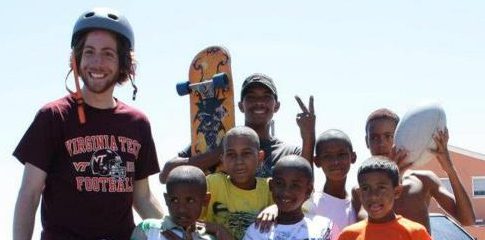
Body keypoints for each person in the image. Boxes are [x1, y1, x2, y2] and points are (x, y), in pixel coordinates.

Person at [13, 7, 163, 240]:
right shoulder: (53, 116)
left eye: (108, 54)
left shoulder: (137, 123)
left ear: (124, 62)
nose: (97, 63)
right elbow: (29, 194)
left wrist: (177, 230)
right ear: (76, 59)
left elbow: (142, 196)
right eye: (89, 52)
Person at [160, 73, 302, 182]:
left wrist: (308, 136)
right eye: (251, 97)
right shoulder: (221, 138)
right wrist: (219, 153)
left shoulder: (289, 152)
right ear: (241, 106)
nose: (258, 102)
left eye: (266, 97)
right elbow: (165, 175)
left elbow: (306, 188)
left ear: (276, 106)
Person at [363, 108, 475, 232]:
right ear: (367, 142)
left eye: (389, 136)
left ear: (401, 136)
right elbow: (366, 229)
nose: (381, 143)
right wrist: (392, 179)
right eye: (374, 137)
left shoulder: (423, 180)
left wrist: (449, 168)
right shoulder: (362, 190)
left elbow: (467, 220)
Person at [200, 126, 273, 239]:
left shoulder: (270, 188)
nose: (239, 161)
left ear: (260, 157)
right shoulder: (212, 184)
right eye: (231, 154)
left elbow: (299, 214)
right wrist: (217, 229)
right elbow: (190, 221)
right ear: (222, 159)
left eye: (246, 153)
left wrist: (276, 208)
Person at [243, 155, 338, 240]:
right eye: (280, 183)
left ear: (308, 191)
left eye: (295, 185)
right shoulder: (257, 232)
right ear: (271, 186)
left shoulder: (324, 228)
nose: (286, 192)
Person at [338, 157, 431, 240]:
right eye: (365, 188)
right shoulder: (349, 236)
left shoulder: (415, 233)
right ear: (359, 194)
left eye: (381, 188)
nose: (373, 196)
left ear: (397, 192)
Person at [131, 166, 233, 240]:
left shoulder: (209, 238)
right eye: (174, 200)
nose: (182, 209)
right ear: (166, 199)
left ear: (205, 200)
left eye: (190, 201)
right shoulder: (148, 229)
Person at [303, 129, 359, 232]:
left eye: (341, 154)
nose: (336, 162)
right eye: (327, 156)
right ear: (317, 161)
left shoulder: (359, 204)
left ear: (353, 157)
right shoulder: (311, 203)